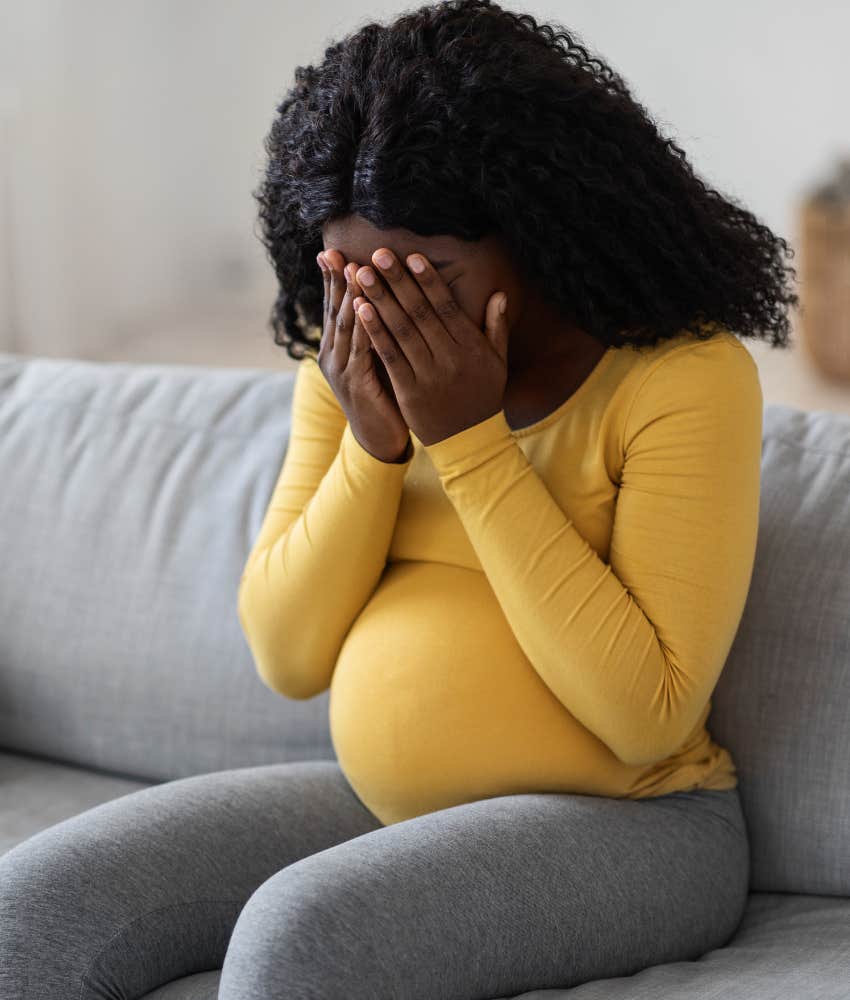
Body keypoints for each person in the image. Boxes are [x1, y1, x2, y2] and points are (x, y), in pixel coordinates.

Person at [0, 1, 798, 997]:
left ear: (541, 232)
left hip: (637, 825)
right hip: (384, 808)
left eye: (426, 272)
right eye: (353, 275)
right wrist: (373, 449)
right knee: (35, 905)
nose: (383, 308)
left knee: (302, 941)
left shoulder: (678, 377)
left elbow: (645, 713)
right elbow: (288, 655)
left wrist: (468, 445)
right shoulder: (347, 374)